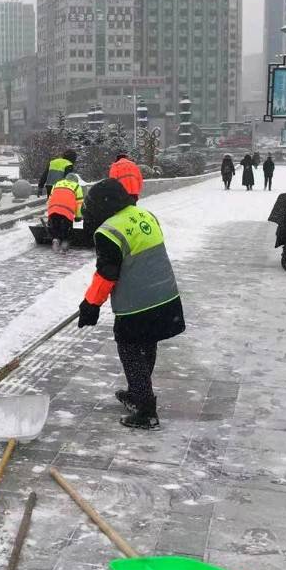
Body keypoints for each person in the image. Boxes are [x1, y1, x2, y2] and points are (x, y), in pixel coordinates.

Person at [77, 179, 185, 429]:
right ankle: (138, 392)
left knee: (129, 349)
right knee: (147, 344)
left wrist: (90, 305)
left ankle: (146, 410)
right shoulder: (145, 215)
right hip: (165, 295)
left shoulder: (109, 231)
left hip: (138, 304)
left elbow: (106, 275)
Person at [46, 172, 84, 251]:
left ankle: (56, 239)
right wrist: (78, 216)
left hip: (53, 209)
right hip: (67, 210)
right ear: (75, 180)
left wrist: (49, 214)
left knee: (55, 226)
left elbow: (50, 199)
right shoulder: (77, 186)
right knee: (66, 229)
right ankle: (64, 242)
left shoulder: (57, 184)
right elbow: (79, 203)